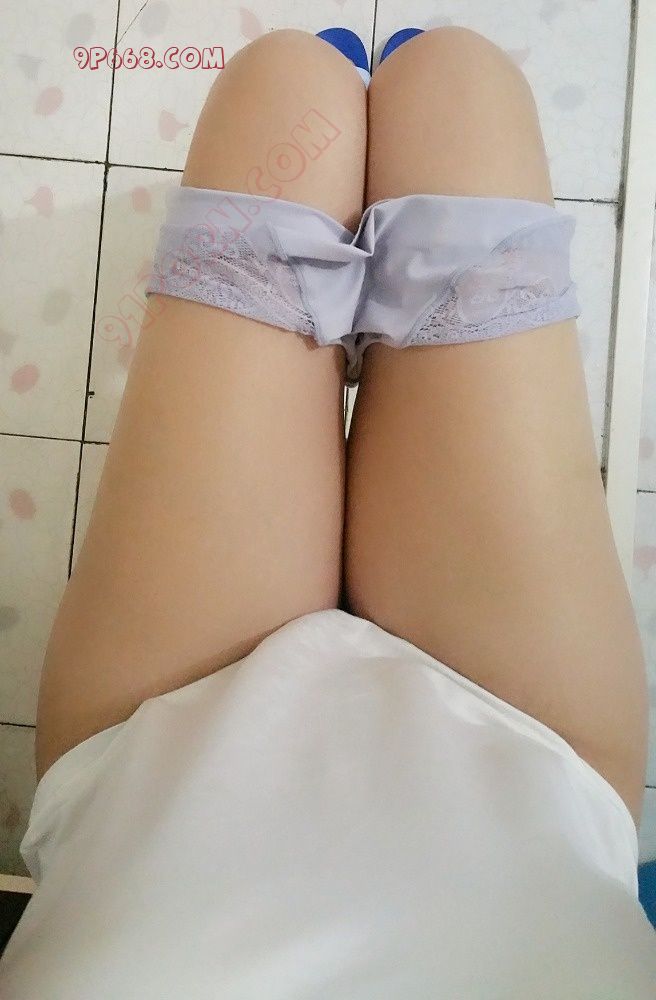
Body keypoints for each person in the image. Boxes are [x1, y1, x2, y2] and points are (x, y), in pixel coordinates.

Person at [1, 25, 655, 997]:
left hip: (153, 748)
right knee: (454, 80)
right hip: (532, 761)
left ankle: (345, 233)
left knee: (289, 84)